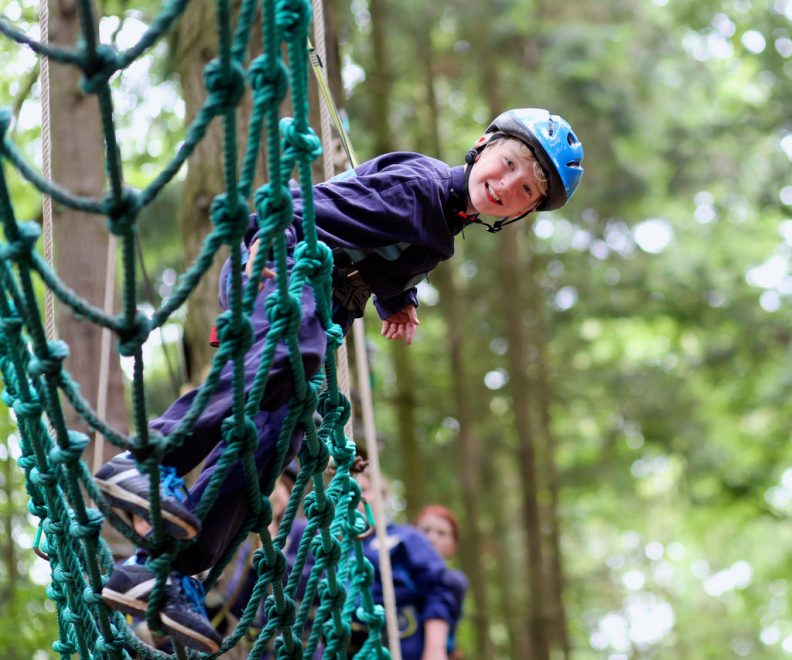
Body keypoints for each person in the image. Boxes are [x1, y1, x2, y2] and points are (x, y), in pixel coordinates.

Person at [94, 108, 584, 653]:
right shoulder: (420, 190)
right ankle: (151, 458)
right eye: (509, 162)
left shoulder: (444, 219)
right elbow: (304, 209)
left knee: (276, 439)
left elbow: (382, 252)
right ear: (483, 144)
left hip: (313, 297)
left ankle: (166, 572)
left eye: (526, 190)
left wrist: (399, 298)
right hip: (284, 262)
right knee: (295, 353)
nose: (507, 184)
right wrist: (272, 255)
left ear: (526, 211)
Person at [349, 472, 458, 660]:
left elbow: (437, 587)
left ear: (383, 497)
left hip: (401, 646)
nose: (353, 497)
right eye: (346, 491)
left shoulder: (405, 538)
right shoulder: (333, 548)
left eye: (364, 490)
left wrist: (435, 649)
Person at [414, 505, 469, 659]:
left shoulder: (451, 581)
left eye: (442, 533)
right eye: (425, 530)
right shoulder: (395, 578)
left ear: (453, 546)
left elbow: (437, 608)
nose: (431, 538)